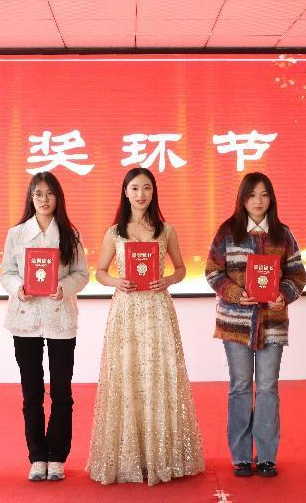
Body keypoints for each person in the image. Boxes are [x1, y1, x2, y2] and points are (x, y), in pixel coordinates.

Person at [86, 168, 204, 486]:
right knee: (127, 376)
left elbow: (181, 269)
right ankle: (130, 458)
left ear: (154, 192)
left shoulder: (166, 230)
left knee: (158, 377)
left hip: (157, 310)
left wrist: (167, 280)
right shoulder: (114, 232)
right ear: (125, 192)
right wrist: (116, 281)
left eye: (147, 188)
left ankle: (160, 457)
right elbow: (99, 271)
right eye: (135, 188)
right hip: (126, 311)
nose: (141, 194)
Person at [205, 172, 306, 478]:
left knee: (267, 388)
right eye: (252, 195)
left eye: (264, 195)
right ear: (242, 198)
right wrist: (237, 294)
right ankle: (240, 456)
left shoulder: (283, 234)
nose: (258, 201)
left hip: (272, 324)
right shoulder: (227, 232)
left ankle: (266, 457)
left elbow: (297, 274)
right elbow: (212, 272)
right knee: (239, 387)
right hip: (235, 324)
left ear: (271, 198)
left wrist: (283, 295)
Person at [0, 172, 89, 482]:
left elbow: (82, 274)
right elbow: (6, 272)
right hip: (25, 319)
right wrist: (18, 287)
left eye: (50, 193)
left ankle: (57, 456)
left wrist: (64, 287)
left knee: (62, 392)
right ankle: (37, 456)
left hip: (60, 318)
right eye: (38, 193)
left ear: (58, 197)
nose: (44, 199)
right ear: (31, 198)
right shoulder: (16, 234)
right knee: (32, 393)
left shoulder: (70, 235)